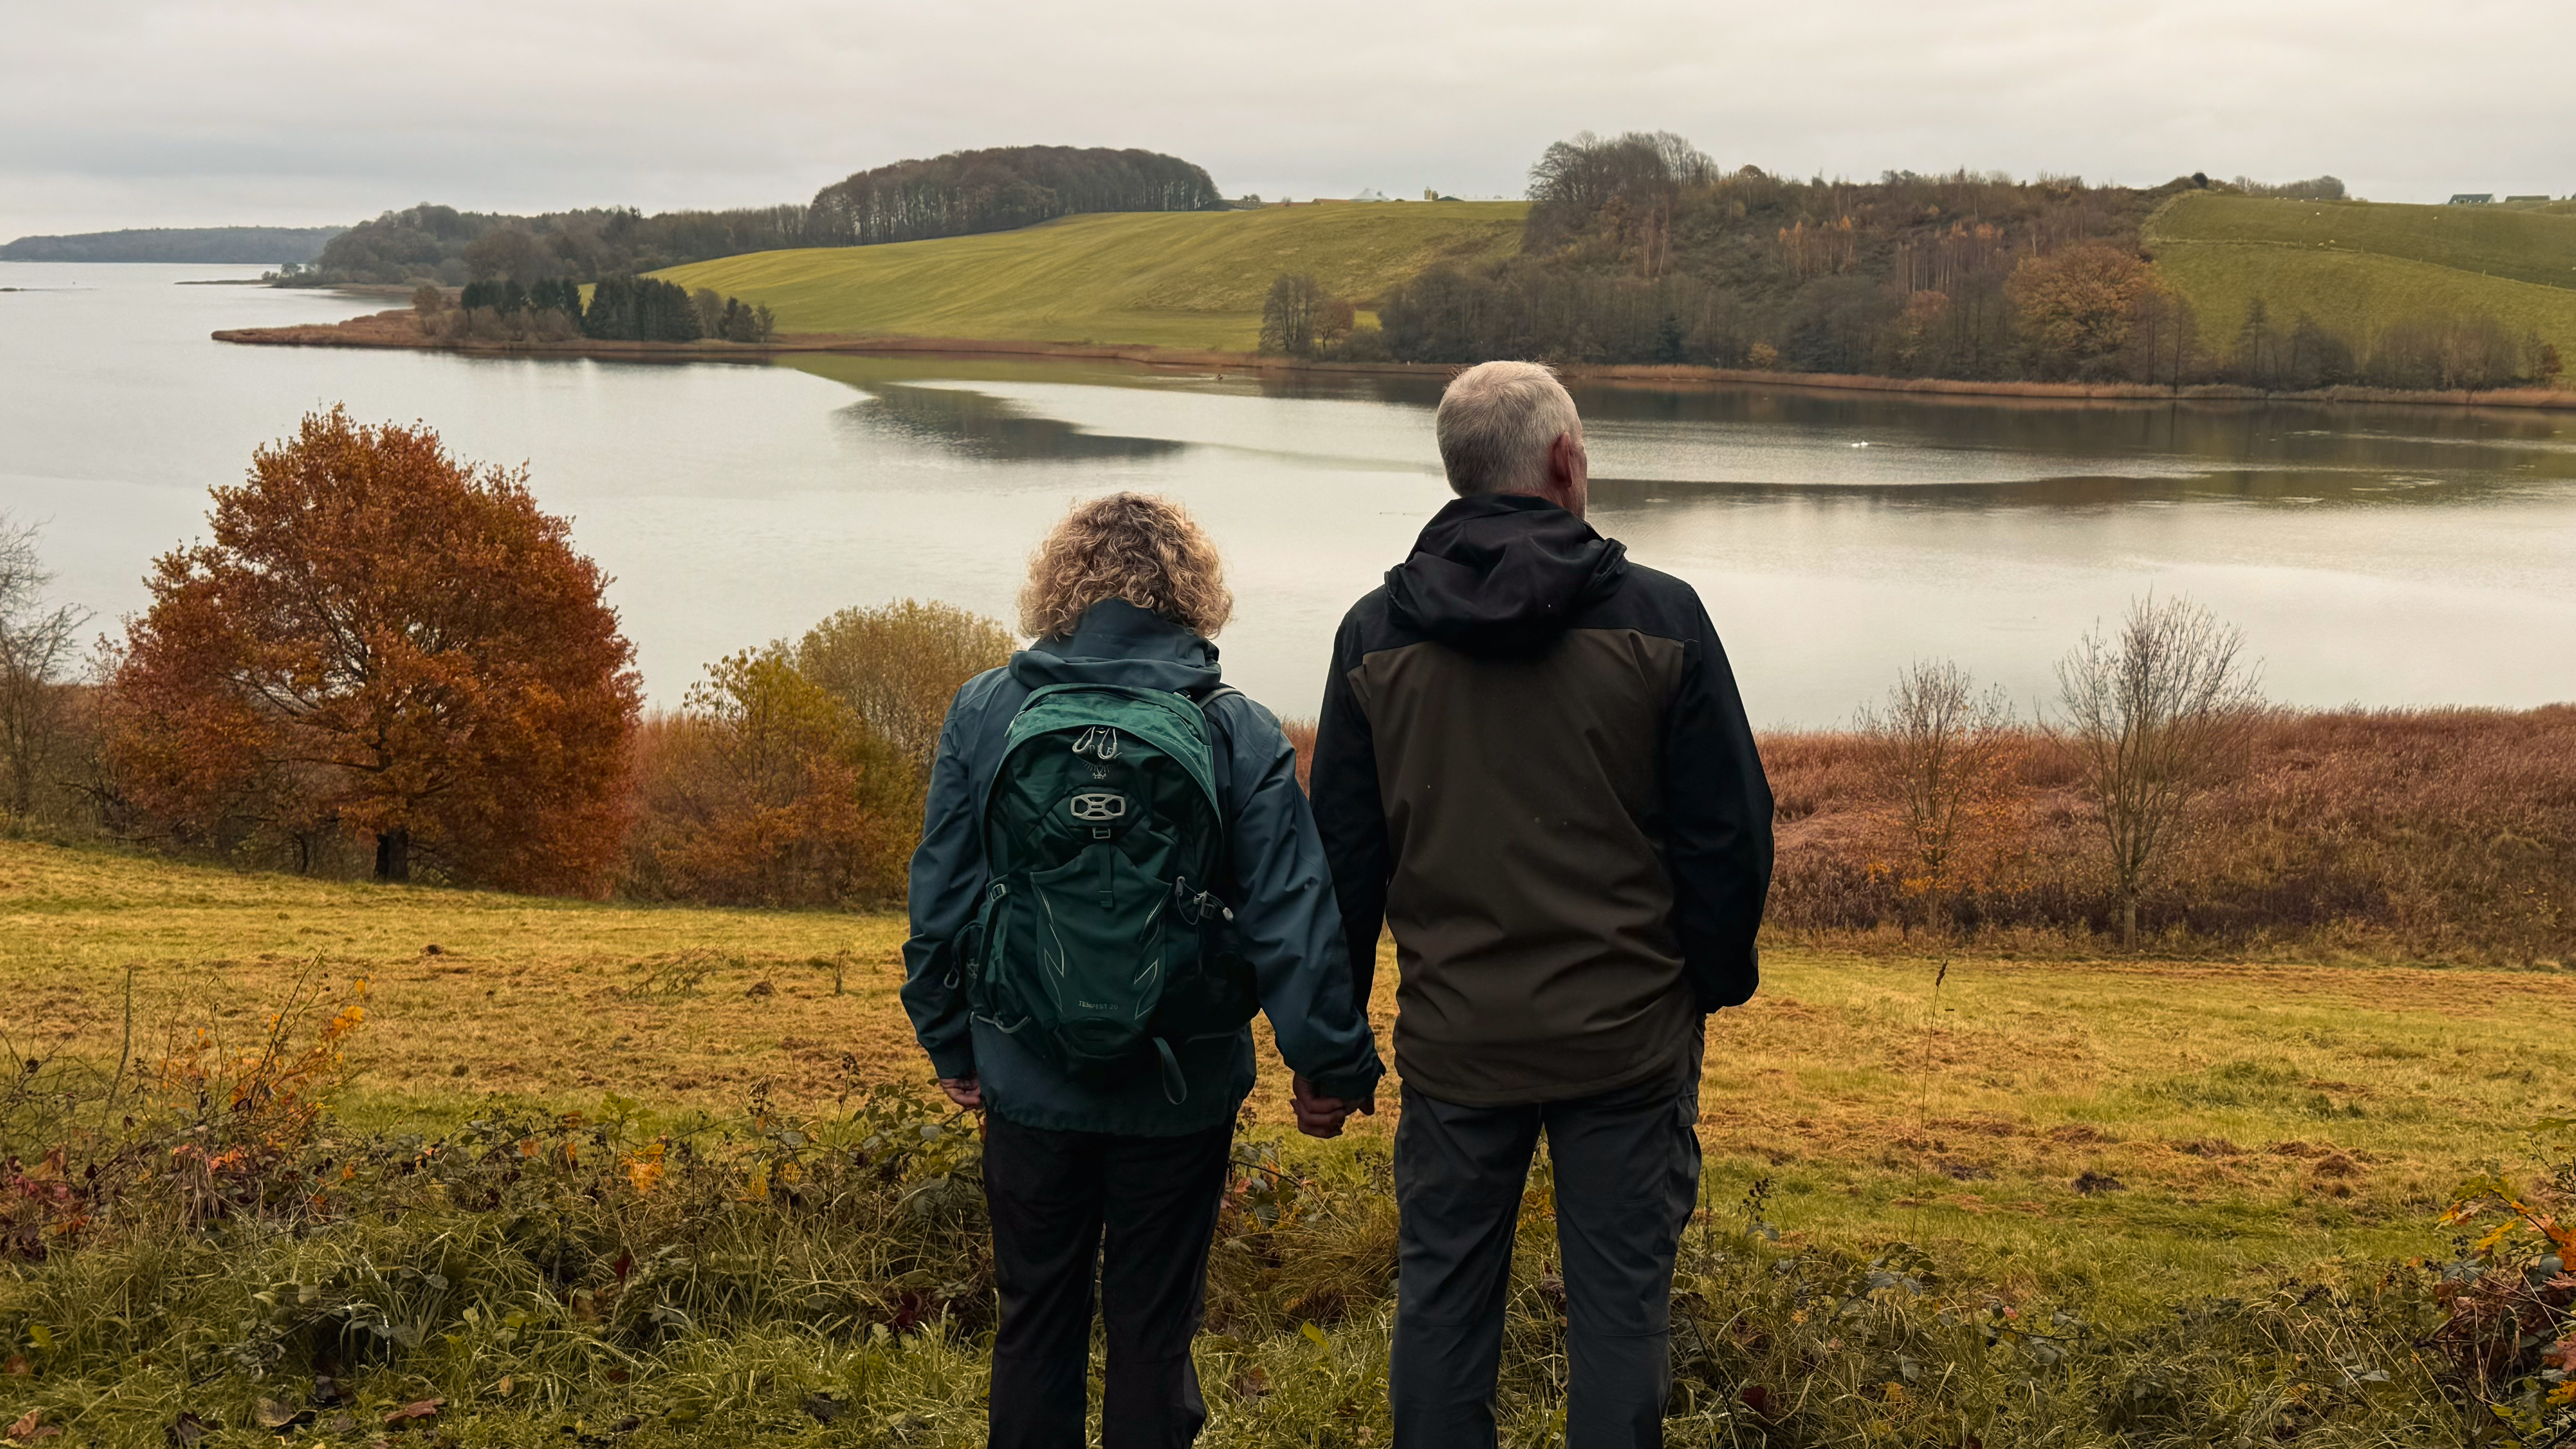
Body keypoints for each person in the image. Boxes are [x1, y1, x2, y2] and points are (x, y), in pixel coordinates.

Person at [1309, 362, 1774, 1449]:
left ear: (1458, 470)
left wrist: (1330, 1049)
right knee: (1620, 1311)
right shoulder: (1663, 617)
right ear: (1565, 460)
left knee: (1440, 1302)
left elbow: (1340, 862)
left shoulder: (1375, 634)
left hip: (1457, 1039)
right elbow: (1730, 834)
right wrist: (1705, 984)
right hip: (1627, 1039)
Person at [902, 492, 1384, 1449]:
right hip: (1180, 1083)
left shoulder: (987, 710)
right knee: (1154, 1332)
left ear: (1059, 587)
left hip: (1028, 1072)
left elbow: (942, 896)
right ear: (1192, 593)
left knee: (1034, 1317)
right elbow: (1293, 913)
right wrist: (1328, 1064)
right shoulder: (1237, 727)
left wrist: (951, 1039)